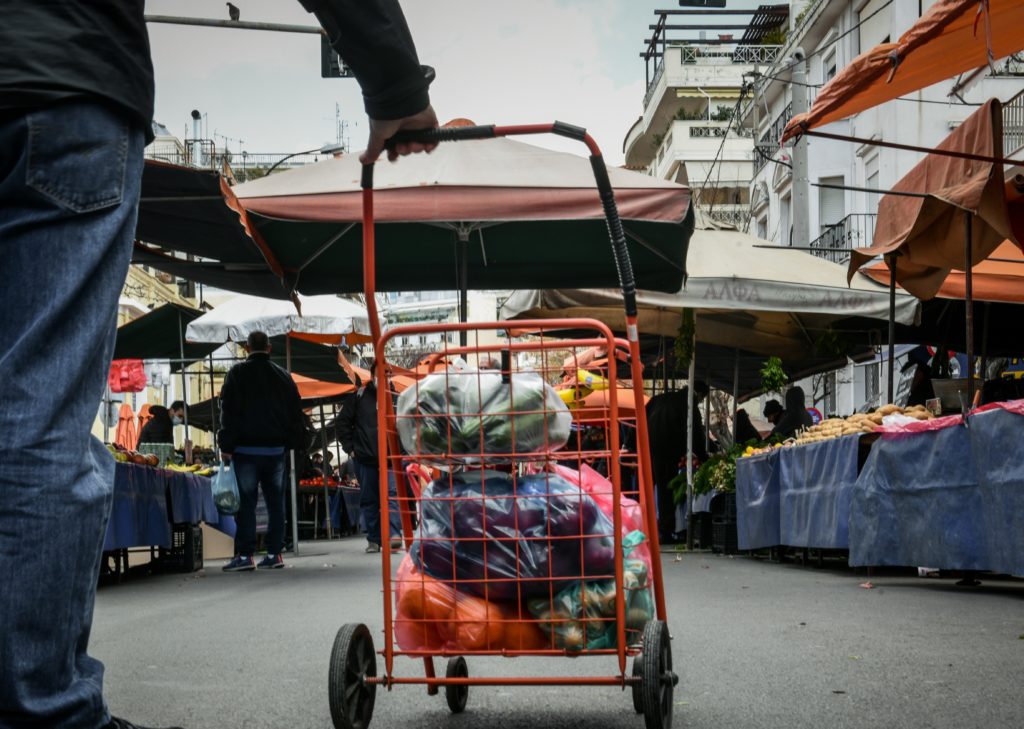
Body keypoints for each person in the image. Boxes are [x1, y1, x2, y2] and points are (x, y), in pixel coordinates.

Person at [0, 2, 435, 725]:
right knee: (39, 412)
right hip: (64, 82)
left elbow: (239, 412)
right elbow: (291, 413)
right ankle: (42, 709)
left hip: (64, 82)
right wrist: (392, 80)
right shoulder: (278, 376)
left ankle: (258, 549)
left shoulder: (238, 375)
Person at [217, 331, 304, 571]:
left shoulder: (236, 374)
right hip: (275, 450)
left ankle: (245, 556)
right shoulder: (283, 377)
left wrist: (226, 445)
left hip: (245, 449)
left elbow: (229, 411)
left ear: (246, 348)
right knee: (276, 501)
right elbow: (296, 412)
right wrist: (289, 442)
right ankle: (275, 553)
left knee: (247, 502)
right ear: (269, 348)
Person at [337, 362, 402, 553]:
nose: (383, 378)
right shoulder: (359, 396)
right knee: (370, 499)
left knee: (392, 496)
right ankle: (374, 539)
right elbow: (342, 424)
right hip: (365, 458)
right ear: (372, 375)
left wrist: (403, 453)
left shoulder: (397, 399)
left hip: (391, 459)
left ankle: (394, 536)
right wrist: (351, 449)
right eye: (380, 374)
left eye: (387, 374)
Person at [642, 381, 709, 541]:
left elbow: (639, 418)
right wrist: (704, 457)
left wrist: (629, 444)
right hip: (669, 450)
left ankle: (646, 527)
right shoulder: (688, 405)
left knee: (648, 489)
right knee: (666, 490)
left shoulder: (658, 399)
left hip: (649, 448)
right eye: (701, 399)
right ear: (698, 394)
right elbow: (696, 433)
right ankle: (666, 531)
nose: (700, 402)